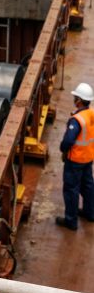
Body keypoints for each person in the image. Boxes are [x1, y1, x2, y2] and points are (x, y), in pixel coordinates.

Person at [56, 82, 94, 231]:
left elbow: (68, 140)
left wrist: (63, 149)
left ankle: (71, 221)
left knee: (71, 189)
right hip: (88, 158)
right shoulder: (91, 114)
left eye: (75, 98)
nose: (74, 100)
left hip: (75, 161)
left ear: (79, 100)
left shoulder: (77, 120)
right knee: (88, 186)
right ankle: (90, 213)